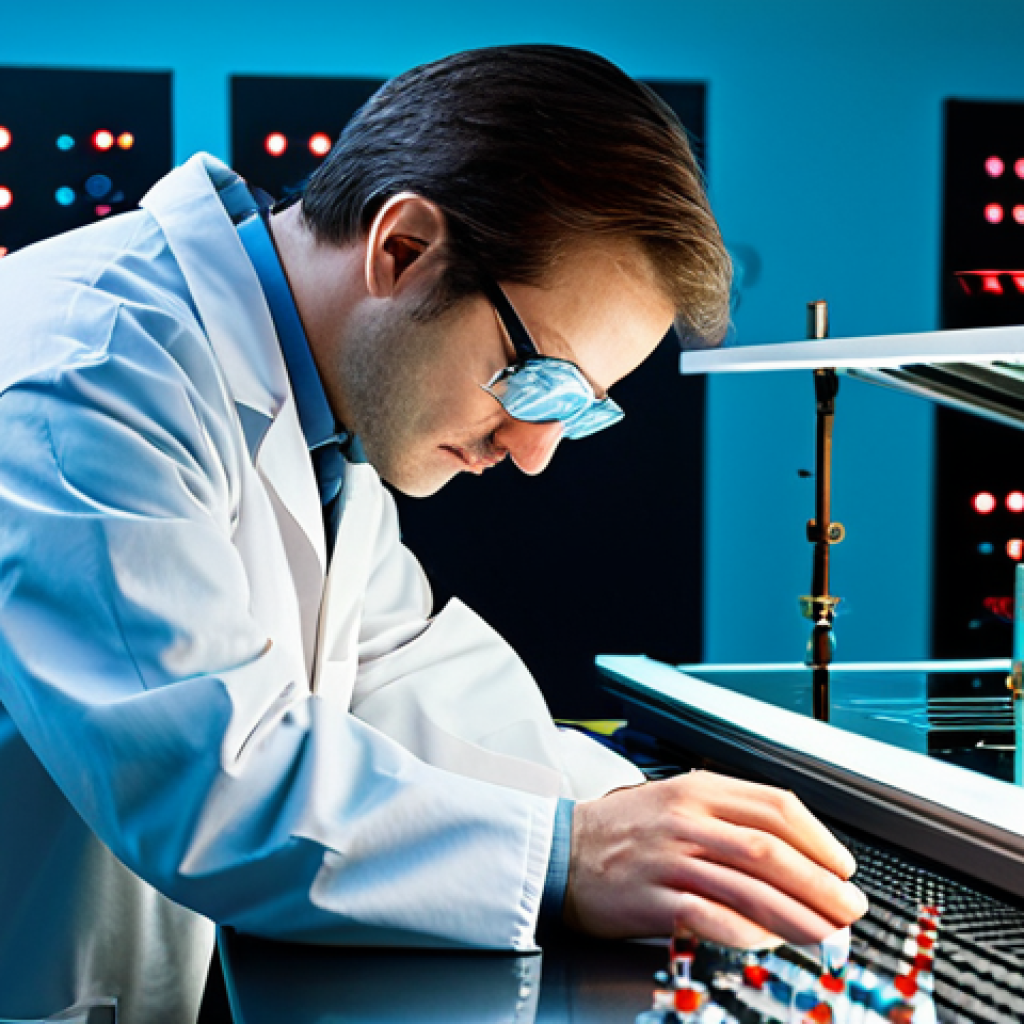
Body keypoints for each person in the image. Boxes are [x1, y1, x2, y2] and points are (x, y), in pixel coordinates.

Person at [0, 45, 867, 1024]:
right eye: (538, 383)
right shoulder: (93, 371)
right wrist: (571, 857)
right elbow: (202, 776)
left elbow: (404, 674)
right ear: (403, 247)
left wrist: (629, 816)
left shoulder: (323, 414)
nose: (536, 454)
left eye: (580, 411)